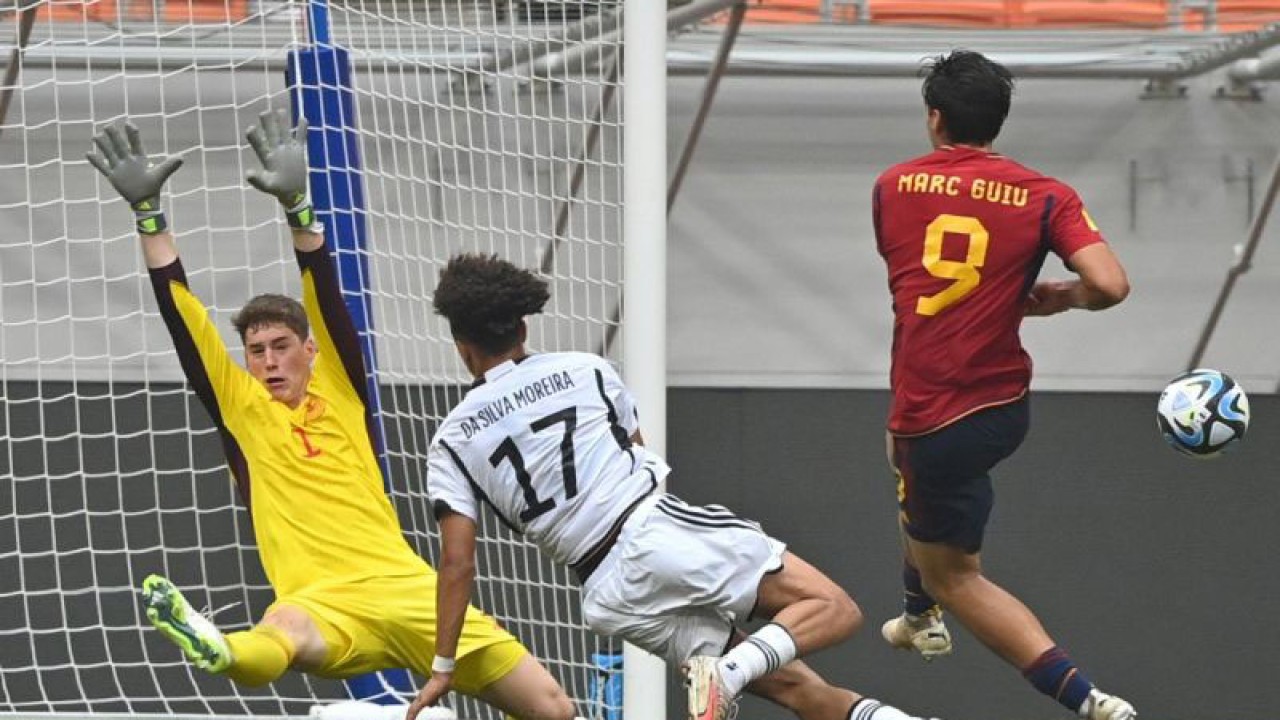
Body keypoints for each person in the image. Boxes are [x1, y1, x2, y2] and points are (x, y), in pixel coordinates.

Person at [86, 110, 576, 720]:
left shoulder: (342, 390)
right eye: (256, 351)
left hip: (407, 591)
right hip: (321, 602)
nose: (267, 362)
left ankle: (228, 647)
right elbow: (183, 318)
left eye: (280, 347)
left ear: (309, 351)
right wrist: (149, 217)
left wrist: (299, 206)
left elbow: (324, 287)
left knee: (553, 707)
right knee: (279, 636)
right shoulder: (242, 408)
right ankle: (215, 645)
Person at [406, 253, 941, 720]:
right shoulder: (585, 371)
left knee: (798, 688)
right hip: (649, 531)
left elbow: (458, 563)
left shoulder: (452, 439)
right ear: (522, 328)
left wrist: (443, 666)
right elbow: (641, 454)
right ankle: (726, 673)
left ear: (461, 344)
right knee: (832, 608)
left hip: (607, 591)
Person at [870, 50, 1135, 720]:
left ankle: (1088, 699)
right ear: (999, 122)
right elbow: (1109, 285)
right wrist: (1061, 298)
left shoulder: (893, 186)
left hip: (932, 415)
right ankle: (916, 610)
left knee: (956, 574)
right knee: (904, 463)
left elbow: (922, 281)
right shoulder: (1046, 195)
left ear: (935, 119)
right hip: (1002, 408)